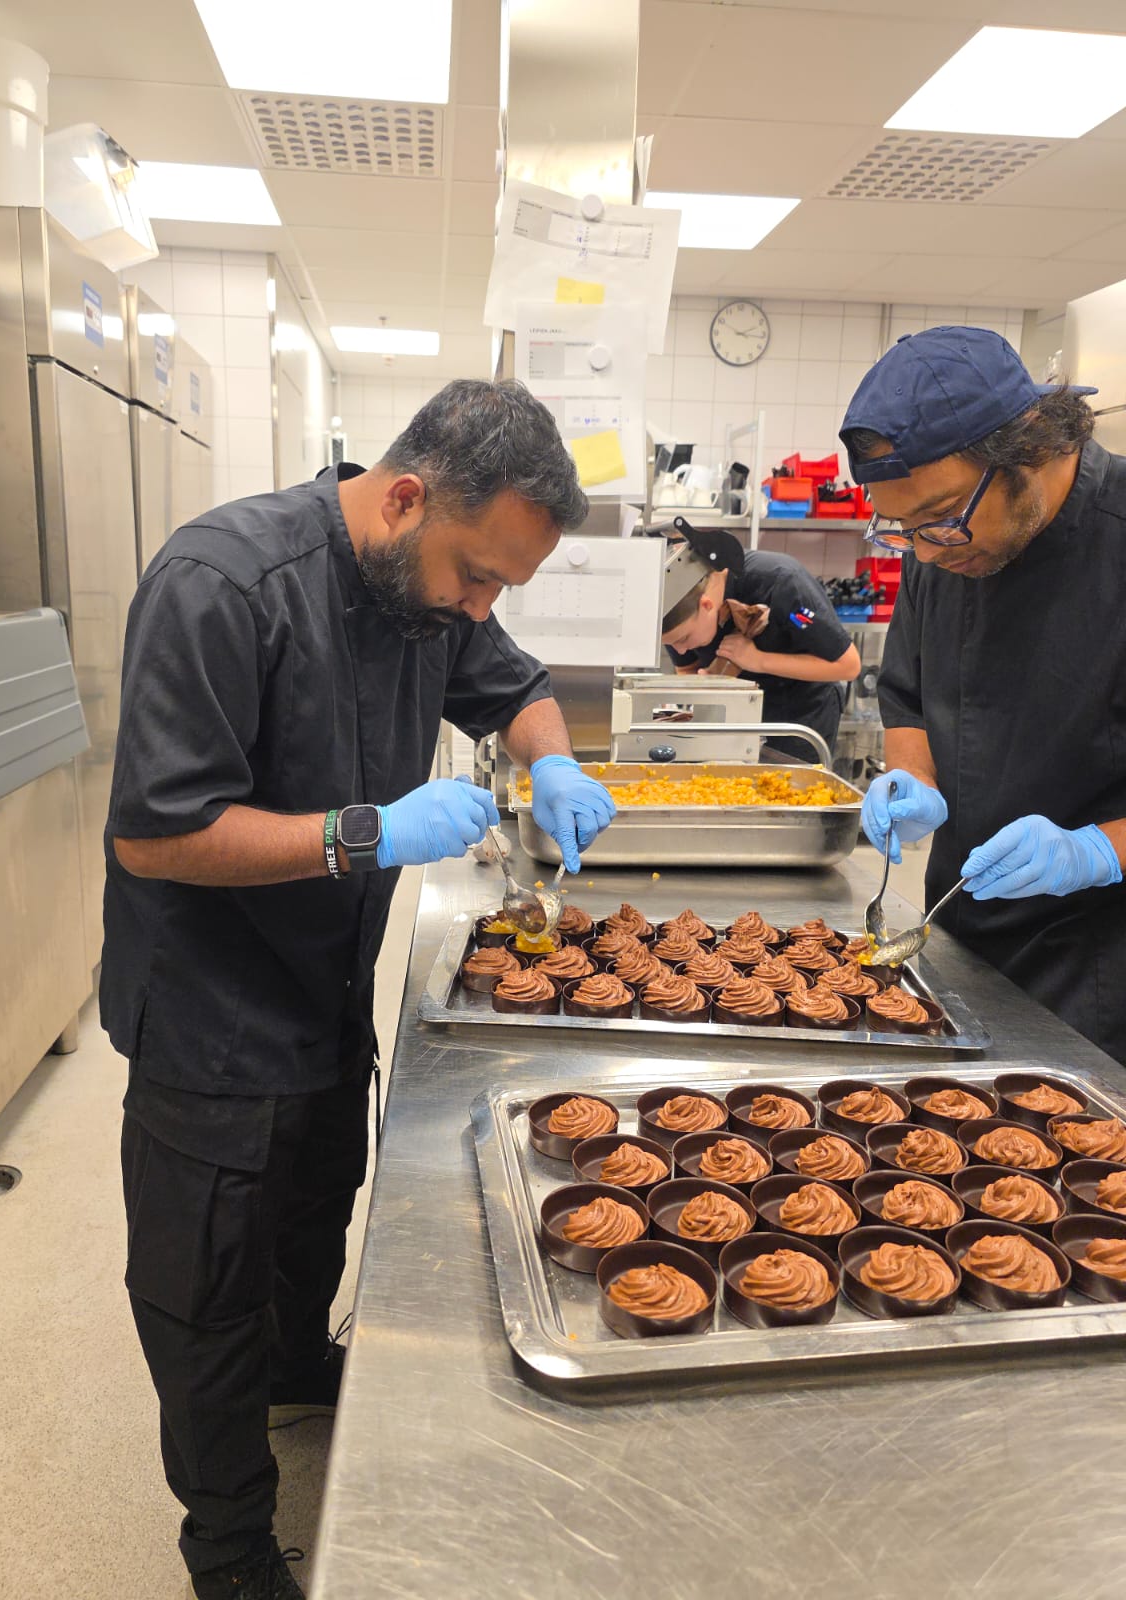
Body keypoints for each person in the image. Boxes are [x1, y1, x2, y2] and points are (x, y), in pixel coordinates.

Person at [100, 379, 616, 1599]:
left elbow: (515, 686)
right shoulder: (221, 584)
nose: (480, 606)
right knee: (207, 1283)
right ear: (403, 499)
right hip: (213, 1017)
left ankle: (296, 1367)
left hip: (326, 989)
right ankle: (227, 1542)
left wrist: (554, 761)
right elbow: (157, 833)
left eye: (501, 588)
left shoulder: (430, 590)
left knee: (312, 1209)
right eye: (477, 575)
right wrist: (360, 832)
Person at [840, 324, 1126, 1064]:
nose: (924, 550)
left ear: (1027, 451)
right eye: (902, 529)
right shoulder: (940, 543)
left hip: (1100, 957)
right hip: (958, 930)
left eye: (938, 519)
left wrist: (1097, 849)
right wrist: (913, 777)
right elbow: (907, 693)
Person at [659, 531, 861, 762]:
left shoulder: (781, 582)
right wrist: (706, 686)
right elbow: (686, 669)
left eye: (683, 639)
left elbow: (848, 666)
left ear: (706, 605)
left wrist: (758, 660)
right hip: (738, 712)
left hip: (799, 713)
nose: (681, 649)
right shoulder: (675, 605)